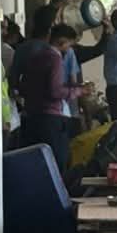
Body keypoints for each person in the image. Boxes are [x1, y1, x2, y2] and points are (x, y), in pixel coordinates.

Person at [14, 16, 74, 172]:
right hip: (50, 119)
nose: (68, 50)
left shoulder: (35, 57)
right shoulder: (55, 59)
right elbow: (55, 91)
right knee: (56, 163)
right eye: (69, 45)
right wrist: (78, 91)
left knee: (35, 165)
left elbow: (22, 85)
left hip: (32, 116)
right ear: (62, 42)